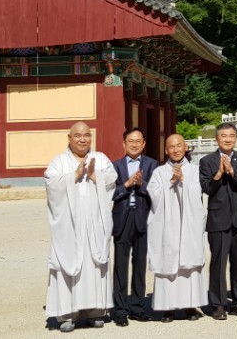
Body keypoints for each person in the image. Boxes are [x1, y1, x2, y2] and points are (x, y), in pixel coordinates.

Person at [44, 122, 117, 333]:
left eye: (86, 135)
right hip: (69, 227)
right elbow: (50, 183)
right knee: (69, 265)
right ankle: (68, 314)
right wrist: (73, 177)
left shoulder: (100, 159)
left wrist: (96, 177)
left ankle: (94, 312)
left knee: (94, 265)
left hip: (94, 224)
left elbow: (112, 178)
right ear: (69, 138)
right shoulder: (59, 162)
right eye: (77, 135)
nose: (82, 139)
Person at [147, 134, 207, 322]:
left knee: (189, 265)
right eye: (171, 147)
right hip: (167, 226)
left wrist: (184, 181)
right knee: (168, 263)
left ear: (186, 147)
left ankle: (190, 306)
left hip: (189, 224)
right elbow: (153, 195)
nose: (175, 149)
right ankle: (168, 308)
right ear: (166, 150)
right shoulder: (158, 172)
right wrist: (171, 181)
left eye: (179, 146)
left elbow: (199, 193)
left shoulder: (196, 170)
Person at [199, 123, 237, 320]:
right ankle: (218, 304)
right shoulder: (207, 161)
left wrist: (231, 171)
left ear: (236, 138)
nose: (228, 139)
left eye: (231, 135)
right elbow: (207, 188)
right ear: (217, 138)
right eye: (223, 136)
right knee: (218, 262)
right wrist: (219, 174)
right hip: (218, 217)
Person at [110, 127, 157, 327]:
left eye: (138, 141)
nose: (135, 144)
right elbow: (109, 193)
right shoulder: (114, 166)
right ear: (124, 144)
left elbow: (157, 190)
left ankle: (137, 307)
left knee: (139, 266)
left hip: (143, 218)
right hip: (122, 218)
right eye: (131, 141)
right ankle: (120, 310)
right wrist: (128, 184)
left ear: (144, 144)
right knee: (120, 266)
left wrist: (142, 184)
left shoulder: (153, 164)